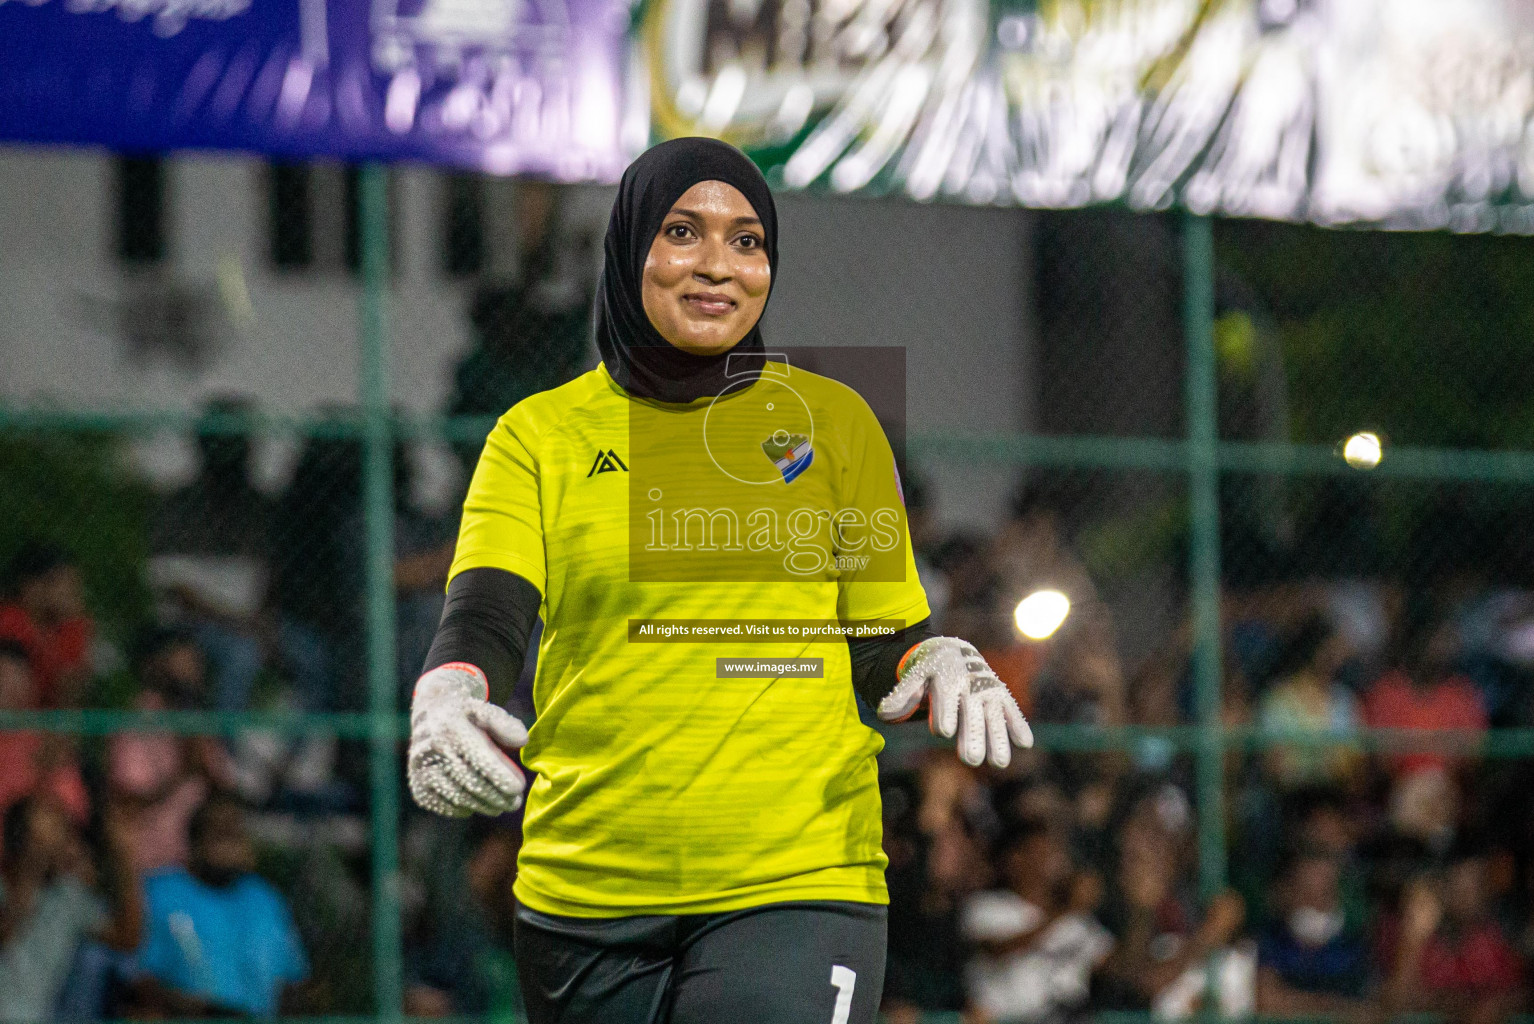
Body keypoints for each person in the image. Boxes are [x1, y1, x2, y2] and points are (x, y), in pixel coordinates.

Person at [404, 137, 1033, 1024]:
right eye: (683, 232)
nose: (718, 266)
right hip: (587, 890)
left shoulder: (833, 423)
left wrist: (933, 658)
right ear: (630, 252)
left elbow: (882, 640)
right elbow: (486, 614)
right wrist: (447, 692)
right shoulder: (537, 436)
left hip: (799, 877)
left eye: (747, 241)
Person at [126, 796, 309, 1016]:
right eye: (219, 832)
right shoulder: (161, 893)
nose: (229, 840)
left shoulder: (263, 898)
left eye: (235, 831)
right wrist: (212, 1013)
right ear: (195, 840)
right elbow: (138, 982)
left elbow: (291, 980)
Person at [0, 797, 142, 1023]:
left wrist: (124, 857)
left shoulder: (69, 897)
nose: (64, 841)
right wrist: (31, 868)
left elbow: (127, 937)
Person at [959, 820, 1111, 1024]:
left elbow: (1113, 966)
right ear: (1015, 859)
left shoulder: (1078, 920)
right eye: (1045, 852)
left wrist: (1139, 908)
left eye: (1058, 853)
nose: (1057, 862)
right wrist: (1066, 910)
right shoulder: (986, 906)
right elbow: (998, 950)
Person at [0, 542, 94, 708]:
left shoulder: (61, 628)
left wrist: (73, 627)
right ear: (32, 586)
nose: (73, 593)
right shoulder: (9, 620)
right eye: (65, 584)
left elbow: (70, 698)